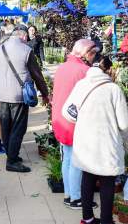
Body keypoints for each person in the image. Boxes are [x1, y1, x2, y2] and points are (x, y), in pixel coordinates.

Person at [62, 56, 128, 224]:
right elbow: (124, 124)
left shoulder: (81, 85)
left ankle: (87, 218)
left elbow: (67, 112)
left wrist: (81, 121)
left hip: (85, 143)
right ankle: (106, 221)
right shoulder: (113, 89)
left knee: (87, 178)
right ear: (108, 69)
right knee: (107, 182)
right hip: (106, 144)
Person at [0, 24, 49, 173]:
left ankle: (12, 155)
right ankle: (11, 161)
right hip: (18, 96)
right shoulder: (26, 50)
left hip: (3, 96)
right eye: (27, 37)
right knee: (18, 128)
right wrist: (45, 93)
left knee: (6, 127)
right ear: (23, 35)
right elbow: (37, 75)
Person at [51, 38, 99, 209]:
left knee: (67, 158)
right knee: (77, 161)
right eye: (93, 54)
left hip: (60, 119)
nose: (94, 58)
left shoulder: (62, 67)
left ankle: (69, 194)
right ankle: (76, 198)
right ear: (87, 53)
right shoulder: (85, 71)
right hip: (76, 122)